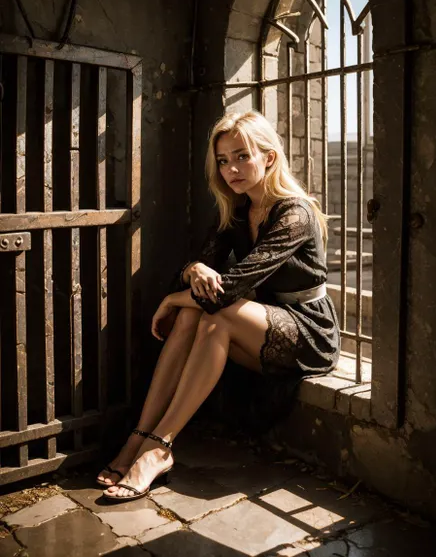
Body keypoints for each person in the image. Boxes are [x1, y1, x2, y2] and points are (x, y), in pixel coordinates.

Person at [99, 110, 340, 501]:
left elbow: (231, 289)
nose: (232, 169)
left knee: (212, 312)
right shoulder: (238, 209)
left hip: (309, 331)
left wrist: (173, 298)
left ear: (269, 157)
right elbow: (199, 267)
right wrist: (193, 269)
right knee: (204, 314)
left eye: (242, 156)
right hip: (259, 324)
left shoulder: (296, 212)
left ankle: (160, 445)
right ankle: (140, 439)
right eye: (224, 160)